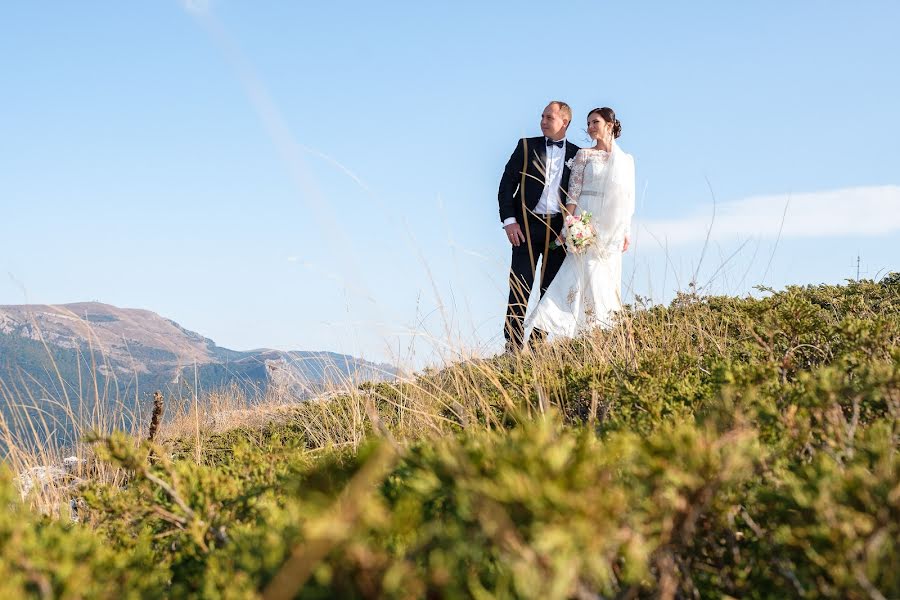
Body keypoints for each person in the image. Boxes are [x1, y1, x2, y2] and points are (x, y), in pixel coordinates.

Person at [525, 106, 635, 340]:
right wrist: (569, 226)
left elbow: (628, 199)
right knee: (579, 274)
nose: (590, 127)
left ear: (610, 124)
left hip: (611, 227)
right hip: (585, 219)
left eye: (595, 122)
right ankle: (557, 325)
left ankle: (601, 332)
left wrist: (626, 230)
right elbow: (572, 195)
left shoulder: (626, 161)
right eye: (588, 123)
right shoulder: (584, 155)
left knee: (605, 278)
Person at [498, 101, 581, 352]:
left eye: (549, 117)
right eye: (542, 116)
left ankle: (536, 346)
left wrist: (572, 228)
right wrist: (509, 221)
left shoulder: (578, 155)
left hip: (558, 231)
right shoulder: (525, 146)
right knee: (520, 286)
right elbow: (505, 185)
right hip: (525, 227)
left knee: (551, 290)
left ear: (564, 122)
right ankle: (512, 346)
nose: (543, 121)